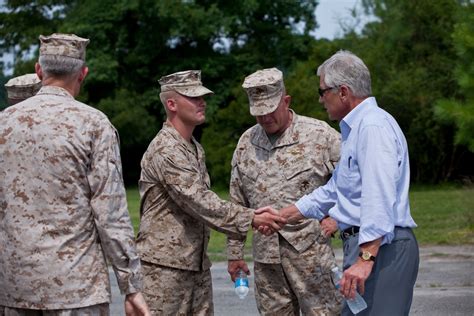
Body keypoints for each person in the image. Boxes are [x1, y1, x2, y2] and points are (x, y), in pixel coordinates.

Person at [0, 33, 150, 316]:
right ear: (83, 73)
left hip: (14, 288)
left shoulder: (4, 124)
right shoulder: (93, 124)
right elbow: (111, 214)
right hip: (76, 290)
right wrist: (131, 287)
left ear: (38, 70)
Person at [276, 50, 419, 315]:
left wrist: (366, 259)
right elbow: (336, 189)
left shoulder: (373, 127)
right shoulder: (356, 130)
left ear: (343, 91)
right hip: (368, 248)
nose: (320, 100)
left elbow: (378, 195)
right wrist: (287, 213)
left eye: (322, 92)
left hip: (382, 250)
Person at [135, 70, 286, 315]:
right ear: (171, 104)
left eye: (202, 96)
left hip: (194, 264)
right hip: (164, 269)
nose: (202, 102)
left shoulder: (193, 147)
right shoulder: (166, 149)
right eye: (193, 97)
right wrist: (252, 218)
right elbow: (200, 201)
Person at [226, 67, 342, 315]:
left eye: (270, 111)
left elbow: (353, 180)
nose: (265, 118)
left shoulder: (319, 135)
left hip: (312, 258)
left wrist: (339, 216)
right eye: (259, 113)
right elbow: (237, 202)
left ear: (286, 101)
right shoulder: (246, 143)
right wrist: (235, 254)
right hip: (267, 262)